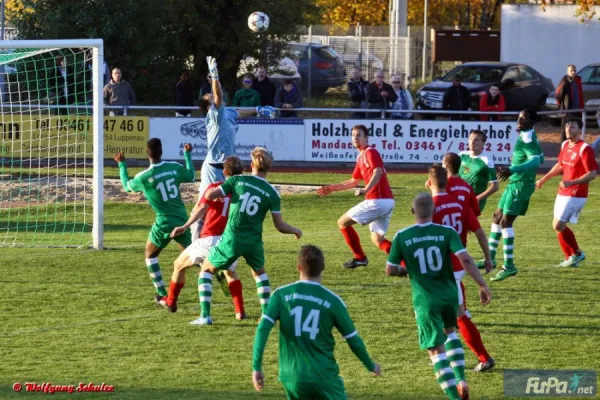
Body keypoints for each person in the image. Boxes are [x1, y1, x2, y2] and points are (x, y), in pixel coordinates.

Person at [386, 192, 491, 400]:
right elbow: (466, 259)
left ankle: (454, 396)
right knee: (451, 333)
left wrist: (406, 271)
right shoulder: (447, 232)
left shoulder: (402, 236)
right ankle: (461, 379)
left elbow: (390, 269)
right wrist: (482, 284)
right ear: (433, 211)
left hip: (425, 300)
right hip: (449, 295)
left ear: (413, 211)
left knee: (435, 351)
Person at [252, 245, 381, 399]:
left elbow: (263, 328)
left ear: (298, 267)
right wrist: (370, 365)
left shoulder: (280, 295)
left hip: (292, 377)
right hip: (323, 377)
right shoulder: (333, 301)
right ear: (323, 268)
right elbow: (353, 339)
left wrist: (256, 367)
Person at [192, 147, 302, 325]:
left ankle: (205, 316)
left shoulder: (237, 180)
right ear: (269, 168)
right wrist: (296, 230)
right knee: (259, 273)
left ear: (251, 165)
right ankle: (266, 314)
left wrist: (217, 195)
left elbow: (210, 194)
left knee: (206, 270)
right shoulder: (273, 193)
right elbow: (280, 226)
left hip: (232, 238)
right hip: (253, 241)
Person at [193, 56, 273, 240]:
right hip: (214, 168)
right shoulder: (215, 114)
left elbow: (238, 112)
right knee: (204, 205)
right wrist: (214, 76)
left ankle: (226, 239)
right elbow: (219, 96)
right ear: (208, 106)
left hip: (229, 167)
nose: (213, 95)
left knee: (231, 204)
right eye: (209, 97)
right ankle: (195, 242)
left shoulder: (226, 111)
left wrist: (258, 110)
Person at [427, 165, 495, 373]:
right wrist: (488, 257)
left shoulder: (431, 208)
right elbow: (481, 233)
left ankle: (474, 359)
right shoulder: (458, 204)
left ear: (429, 183)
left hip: (442, 270)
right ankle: (455, 357)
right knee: (454, 314)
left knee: (451, 317)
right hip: (458, 265)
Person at [163, 155, 246, 317]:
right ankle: (239, 311)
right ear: (242, 171)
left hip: (210, 239)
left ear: (225, 171)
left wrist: (185, 226)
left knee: (179, 264)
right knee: (229, 273)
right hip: (231, 240)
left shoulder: (215, 187)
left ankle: (171, 301)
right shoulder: (244, 192)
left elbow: (201, 208)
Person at [113, 139, 195, 302]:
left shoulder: (144, 177)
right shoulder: (173, 167)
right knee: (196, 256)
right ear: (161, 152)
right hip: (182, 221)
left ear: (147, 153)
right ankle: (223, 280)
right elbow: (191, 176)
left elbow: (127, 186)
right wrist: (187, 155)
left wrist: (122, 164)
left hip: (163, 223)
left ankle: (162, 293)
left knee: (150, 254)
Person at [317, 124, 395, 268]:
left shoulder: (370, 152)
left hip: (376, 201)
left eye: (359, 135)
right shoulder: (361, 156)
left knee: (342, 222)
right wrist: (332, 188)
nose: (355, 138)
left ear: (366, 138)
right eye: (353, 135)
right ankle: (407, 262)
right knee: (377, 240)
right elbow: (353, 181)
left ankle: (360, 257)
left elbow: (378, 172)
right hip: (386, 202)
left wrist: (366, 189)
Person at [482, 109, 545, 281]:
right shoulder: (529, 135)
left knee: (505, 221)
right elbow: (542, 157)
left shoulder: (527, 138)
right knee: (496, 216)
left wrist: (513, 169)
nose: (519, 120)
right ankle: (491, 258)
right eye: (518, 117)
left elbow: (536, 161)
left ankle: (509, 266)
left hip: (520, 185)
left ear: (531, 121)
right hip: (515, 183)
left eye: (523, 118)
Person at [535, 119, 597, 267]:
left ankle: (577, 254)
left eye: (573, 126)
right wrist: (544, 179)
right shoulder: (564, 145)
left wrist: (571, 182)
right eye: (567, 126)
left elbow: (592, 174)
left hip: (576, 193)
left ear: (579, 130)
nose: (569, 128)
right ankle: (571, 257)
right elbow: (560, 165)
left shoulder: (585, 148)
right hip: (563, 191)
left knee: (558, 224)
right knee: (557, 226)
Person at [459, 130, 499, 212]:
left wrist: (478, 198)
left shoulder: (487, 162)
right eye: (470, 139)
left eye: (476, 140)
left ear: (483, 143)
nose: (472, 142)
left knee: (468, 223)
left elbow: (495, 186)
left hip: (474, 201)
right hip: (459, 197)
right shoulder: (461, 156)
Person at [443, 152, 481, 217]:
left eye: (442, 164)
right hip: (463, 223)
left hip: (448, 223)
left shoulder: (443, 185)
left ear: (446, 166)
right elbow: (476, 211)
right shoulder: (468, 187)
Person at [556, 64, 584, 142]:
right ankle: (563, 146)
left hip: (578, 111)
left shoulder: (578, 81)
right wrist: (561, 108)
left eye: (574, 70)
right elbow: (558, 95)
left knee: (577, 129)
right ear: (567, 72)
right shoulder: (564, 82)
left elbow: (580, 95)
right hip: (568, 111)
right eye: (571, 70)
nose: (573, 72)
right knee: (566, 130)